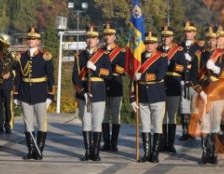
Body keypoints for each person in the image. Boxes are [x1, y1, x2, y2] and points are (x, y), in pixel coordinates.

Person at [194, 26, 224, 165]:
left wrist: (215, 69)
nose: (211, 42)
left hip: (218, 95)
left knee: (215, 125)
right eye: (209, 39)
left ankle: (214, 154)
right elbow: (193, 78)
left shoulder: (223, 57)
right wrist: (201, 92)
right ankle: (205, 153)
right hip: (204, 94)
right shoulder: (200, 56)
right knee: (204, 124)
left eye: (214, 39)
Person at [14, 27, 55, 160]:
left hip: (40, 94)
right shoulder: (21, 57)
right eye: (29, 39)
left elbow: (51, 78)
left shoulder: (45, 56)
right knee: (28, 123)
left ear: (38, 41)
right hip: (25, 94)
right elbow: (18, 77)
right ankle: (31, 150)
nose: (31, 41)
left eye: (33, 39)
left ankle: (39, 150)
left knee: (42, 123)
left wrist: (50, 96)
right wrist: (16, 94)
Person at [72, 24, 112, 162]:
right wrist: (82, 92)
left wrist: (95, 68)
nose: (90, 40)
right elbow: (75, 77)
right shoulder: (79, 56)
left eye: (93, 38)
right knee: (86, 123)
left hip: (99, 92)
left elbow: (109, 74)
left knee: (97, 123)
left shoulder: (104, 55)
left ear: (97, 40)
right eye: (88, 37)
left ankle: (96, 152)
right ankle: (88, 151)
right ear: (85, 40)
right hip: (84, 93)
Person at [130, 31, 168, 163]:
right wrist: (132, 98)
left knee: (157, 126)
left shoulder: (162, 57)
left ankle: (155, 153)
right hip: (143, 97)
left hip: (157, 96)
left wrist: (143, 76)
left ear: (156, 44)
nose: (149, 45)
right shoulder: (139, 57)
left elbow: (160, 75)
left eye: (152, 43)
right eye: (147, 43)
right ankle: (146, 153)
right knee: (145, 126)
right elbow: (134, 79)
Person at [158, 25, 187, 153]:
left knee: (172, 115)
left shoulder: (178, 51)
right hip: (160, 85)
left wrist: (172, 65)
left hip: (173, 84)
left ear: (172, 37)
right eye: (163, 36)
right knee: (161, 116)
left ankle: (170, 143)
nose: (165, 38)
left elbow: (183, 68)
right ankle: (162, 142)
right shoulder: (157, 50)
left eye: (168, 36)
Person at [100, 23, 126, 152]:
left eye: (110, 34)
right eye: (106, 34)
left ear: (114, 36)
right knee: (104, 115)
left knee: (115, 115)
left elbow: (123, 70)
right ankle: (106, 142)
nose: (107, 37)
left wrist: (109, 65)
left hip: (116, 84)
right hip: (103, 85)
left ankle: (114, 142)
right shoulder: (100, 51)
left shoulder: (121, 52)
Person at [179, 21, 203, 141]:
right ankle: (185, 132)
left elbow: (200, 65)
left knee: (194, 109)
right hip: (183, 80)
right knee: (184, 108)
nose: (187, 34)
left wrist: (191, 59)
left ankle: (192, 131)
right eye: (186, 32)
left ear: (194, 33)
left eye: (190, 32)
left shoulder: (198, 47)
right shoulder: (180, 46)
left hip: (194, 82)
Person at [0, 34, 16, 134]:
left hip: (7, 84)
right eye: (1, 44)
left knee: (8, 106)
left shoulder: (11, 55)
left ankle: (8, 125)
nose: (1, 45)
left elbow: (16, 69)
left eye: (3, 44)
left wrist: (10, 73)